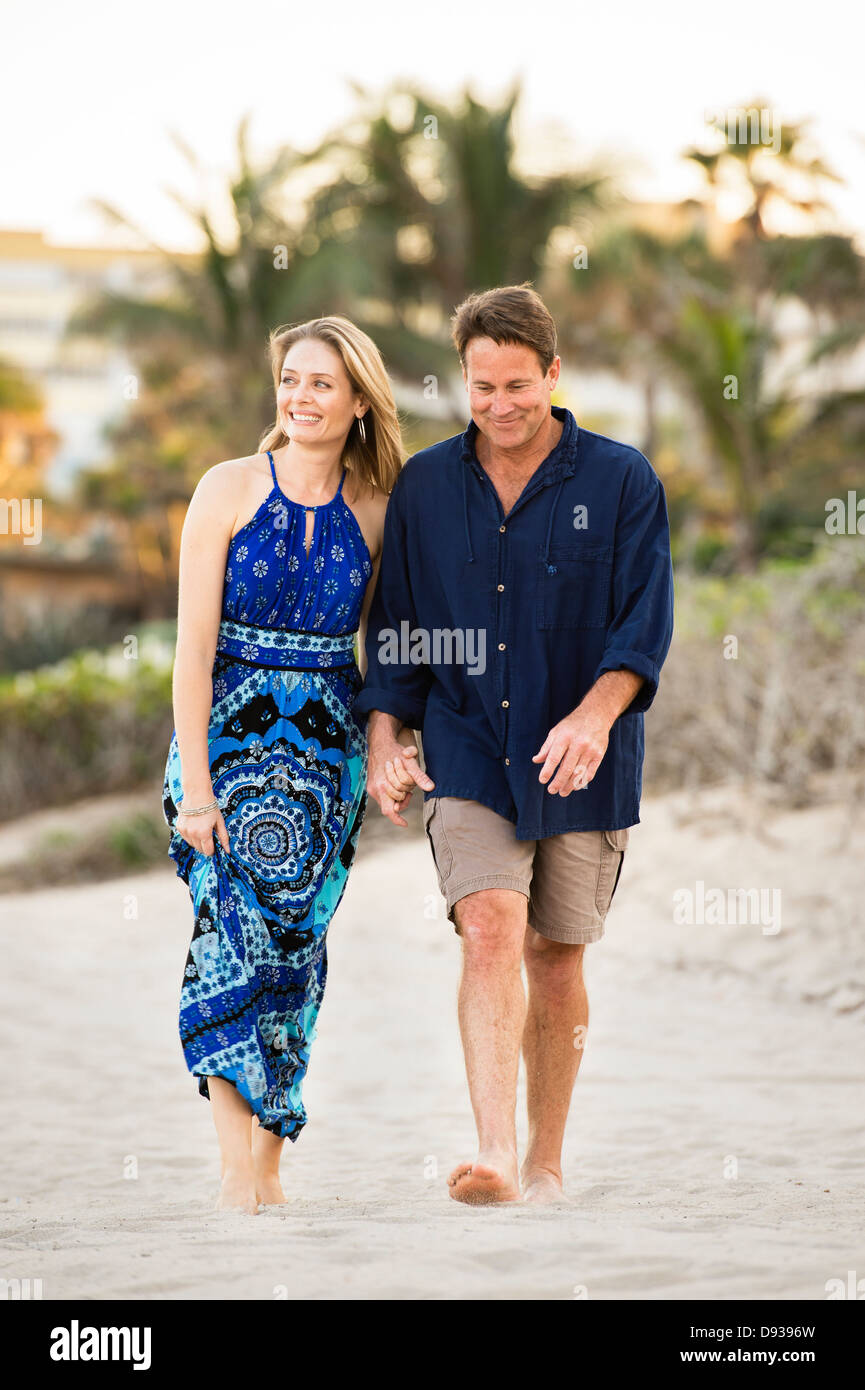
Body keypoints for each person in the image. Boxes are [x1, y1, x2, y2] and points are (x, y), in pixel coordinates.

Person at [355, 283, 674, 1206]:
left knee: (556, 956)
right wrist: (385, 732)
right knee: (489, 928)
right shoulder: (423, 486)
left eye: (517, 386)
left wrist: (595, 712)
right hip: (466, 744)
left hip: (581, 752)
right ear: (462, 379)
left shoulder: (621, 481)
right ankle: (493, 1150)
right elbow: (399, 628)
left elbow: (642, 625)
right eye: (481, 387)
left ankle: (545, 1157)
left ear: (553, 373)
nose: (499, 406)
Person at [162, 316, 400, 1213]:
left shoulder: (378, 508)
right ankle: (234, 1175)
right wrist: (194, 787)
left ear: (357, 402)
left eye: (322, 385)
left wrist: (389, 743)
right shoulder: (225, 489)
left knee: (294, 964)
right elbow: (190, 652)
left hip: (323, 773)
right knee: (226, 949)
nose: (300, 398)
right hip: (220, 756)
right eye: (291, 380)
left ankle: (269, 1163)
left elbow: (383, 648)